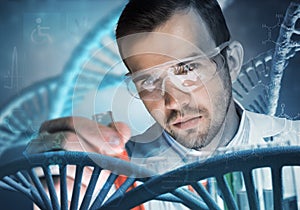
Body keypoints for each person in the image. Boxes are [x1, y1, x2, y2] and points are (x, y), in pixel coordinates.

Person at [27, 0, 300, 209]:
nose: (173, 101)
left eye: (186, 69)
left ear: (231, 63)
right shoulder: (117, 177)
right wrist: (52, 186)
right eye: (147, 81)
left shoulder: (294, 144)